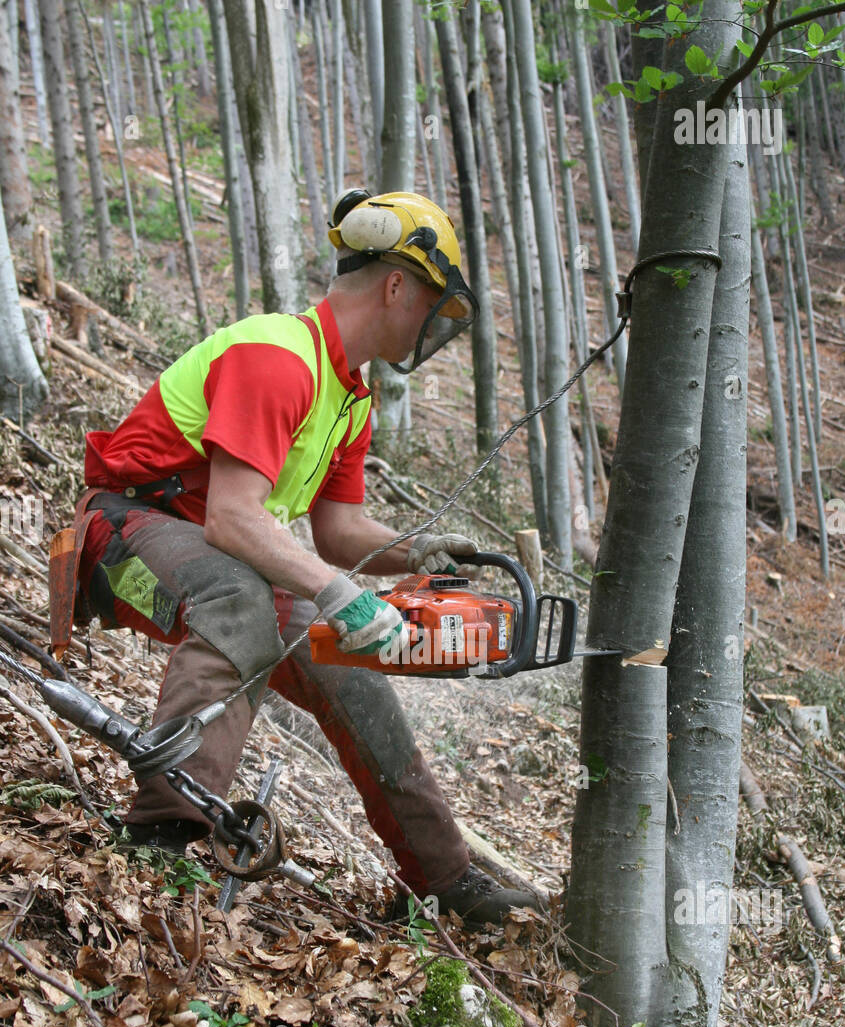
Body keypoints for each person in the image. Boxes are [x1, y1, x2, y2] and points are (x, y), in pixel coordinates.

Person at [68, 191, 539, 924]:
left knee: (349, 669)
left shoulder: (348, 395)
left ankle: (446, 880)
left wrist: (415, 551)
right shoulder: (277, 358)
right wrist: (337, 592)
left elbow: (338, 531)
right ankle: (157, 838)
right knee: (242, 603)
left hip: (221, 556)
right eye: (429, 304)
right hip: (122, 538)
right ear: (395, 286)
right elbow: (231, 517)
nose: (427, 325)